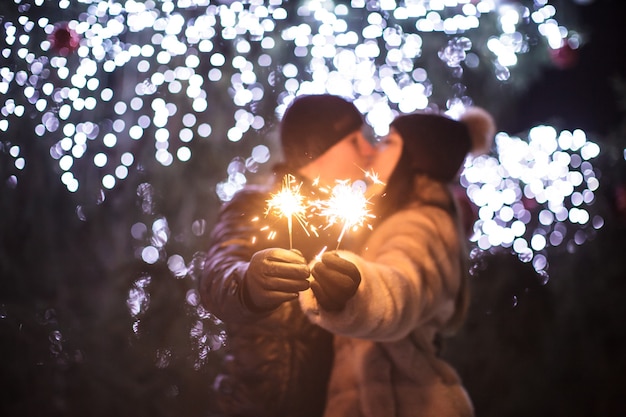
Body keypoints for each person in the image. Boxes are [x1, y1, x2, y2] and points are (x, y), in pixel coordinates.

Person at [298, 107, 496, 417]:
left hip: (404, 402)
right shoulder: (403, 220)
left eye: (389, 143)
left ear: (417, 158)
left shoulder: (422, 225)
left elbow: (401, 286)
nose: (375, 150)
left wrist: (353, 290)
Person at [199, 94, 376, 417]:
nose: (368, 150)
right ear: (319, 145)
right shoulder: (253, 205)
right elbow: (216, 277)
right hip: (260, 406)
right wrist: (249, 284)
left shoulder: (348, 224)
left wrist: (347, 298)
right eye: (354, 140)